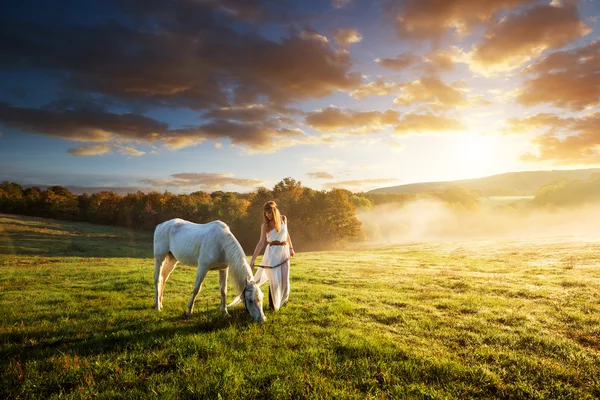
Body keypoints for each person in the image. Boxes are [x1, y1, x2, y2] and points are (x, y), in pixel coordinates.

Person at [249, 201, 294, 311]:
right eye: (265, 213)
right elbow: (261, 243)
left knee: (284, 279)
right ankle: (272, 306)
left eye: (269, 212)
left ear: (274, 210)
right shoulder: (265, 225)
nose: (267, 215)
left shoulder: (283, 218)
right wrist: (252, 260)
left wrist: (291, 248)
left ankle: (283, 301)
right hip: (272, 253)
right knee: (274, 280)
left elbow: (287, 234)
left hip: (284, 251)